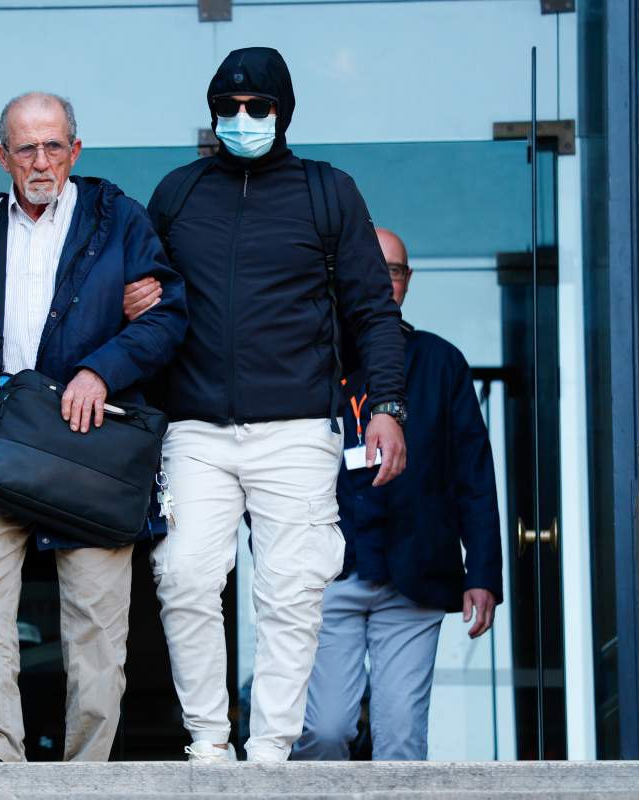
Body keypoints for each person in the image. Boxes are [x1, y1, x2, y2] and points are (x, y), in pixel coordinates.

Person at [135, 47, 408, 763]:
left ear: (283, 112)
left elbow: (372, 308)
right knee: (185, 575)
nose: (243, 119)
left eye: (258, 108)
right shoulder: (178, 194)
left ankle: (270, 754)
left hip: (296, 427)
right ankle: (207, 744)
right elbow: (145, 296)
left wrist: (386, 405)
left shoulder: (327, 191)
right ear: (213, 113)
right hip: (194, 425)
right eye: (229, 108)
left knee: (290, 591)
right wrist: (132, 298)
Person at [0, 92, 187, 763]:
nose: (41, 161)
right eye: (26, 148)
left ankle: (84, 771)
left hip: (88, 447)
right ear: (2, 155)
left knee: (95, 620)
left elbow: (168, 315)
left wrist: (101, 370)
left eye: (54, 145)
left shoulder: (118, 220)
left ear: (76, 151)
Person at [291, 228, 502, 761]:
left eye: (396, 270)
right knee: (325, 732)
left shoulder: (440, 362)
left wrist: (482, 574)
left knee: (402, 742)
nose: (384, 280)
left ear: (408, 282)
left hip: (414, 573)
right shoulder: (309, 364)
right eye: (372, 267)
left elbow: (474, 476)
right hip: (326, 574)